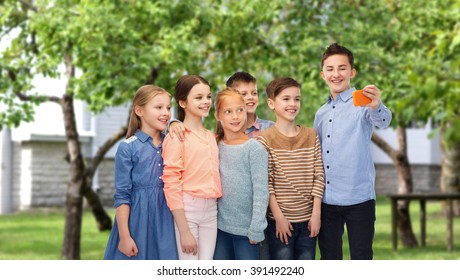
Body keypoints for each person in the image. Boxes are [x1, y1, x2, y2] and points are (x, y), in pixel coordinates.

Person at [313, 43, 392, 260]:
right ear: (323, 74)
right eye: (330, 69)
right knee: (329, 259)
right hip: (328, 201)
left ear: (351, 72)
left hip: (359, 198)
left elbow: (382, 121)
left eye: (342, 68)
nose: (336, 74)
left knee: (361, 258)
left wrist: (377, 105)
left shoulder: (364, 103)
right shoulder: (321, 113)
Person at [104, 85, 177, 260]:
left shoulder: (172, 142)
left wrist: (176, 124)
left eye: (168, 107)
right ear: (139, 110)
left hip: (168, 220)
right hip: (138, 222)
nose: (166, 113)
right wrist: (124, 236)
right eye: (158, 107)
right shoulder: (128, 147)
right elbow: (122, 195)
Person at [257, 77, 325, 260]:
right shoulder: (265, 140)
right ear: (272, 103)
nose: (292, 104)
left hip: (309, 222)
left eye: (297, 99)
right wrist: (279, 218)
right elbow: (266, 182)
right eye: (286, 99)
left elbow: (319, 176)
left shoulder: (311, 135)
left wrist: (316, 214)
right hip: (280, 223)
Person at [162, 75, 223, 260]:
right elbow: (171, 183)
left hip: (211, 210)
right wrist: (184, 231)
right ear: (182, 102)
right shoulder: (176, 136)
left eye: (208, 96)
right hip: (188, 210)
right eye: (198, 97)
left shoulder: (211, 137)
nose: (206, 102)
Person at [212, 88, 269, 260]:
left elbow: (261, 192)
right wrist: (174, 123)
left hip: (247, 232)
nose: (235, 116)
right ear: (218, 115)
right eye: (228, 112)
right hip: (221, 230)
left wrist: (256, 229)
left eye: (240, 110)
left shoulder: (254, 148)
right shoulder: (215, 144)